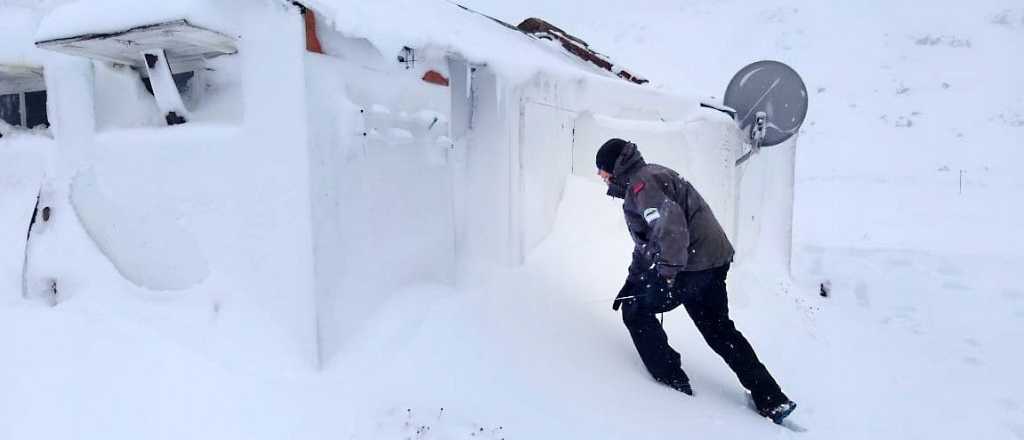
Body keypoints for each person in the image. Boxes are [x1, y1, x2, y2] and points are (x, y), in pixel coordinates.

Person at [595, 138, 797, 423]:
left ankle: (671, 384)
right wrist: (634, 279)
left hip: (692, 266)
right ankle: (771, 398)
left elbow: (670, 229)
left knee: (636, 310)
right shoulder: (650, 175)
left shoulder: (643, 185)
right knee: (720, 332)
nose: (600, 176)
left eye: (602, 169)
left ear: (614, 167)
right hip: (712, 262)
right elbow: (648, 243)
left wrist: (664, 277)